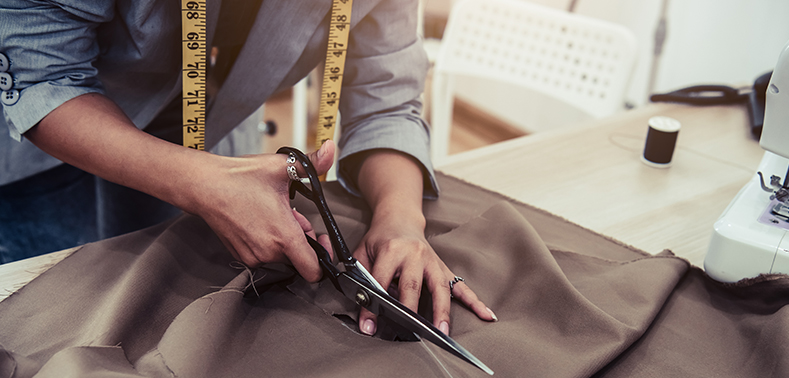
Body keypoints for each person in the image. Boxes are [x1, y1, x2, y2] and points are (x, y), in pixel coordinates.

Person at [0, 0, 497, 336]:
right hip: (46, 150)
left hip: (219, 129)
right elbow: (47, 75)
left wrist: (401, 220)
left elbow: (387, 102)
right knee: (56, 322)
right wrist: (202, 183)